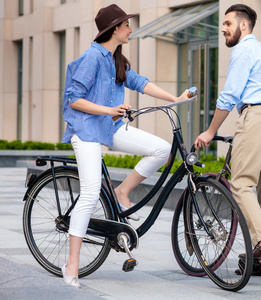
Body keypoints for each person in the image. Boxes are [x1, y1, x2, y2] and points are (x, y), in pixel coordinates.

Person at [61, 4, 190, 288]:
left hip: (111, 128)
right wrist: (110, 110)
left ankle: (123, 190)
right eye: (127, 25)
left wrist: (175, 98)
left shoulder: (117, 60)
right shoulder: (92, 57)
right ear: (115, 29)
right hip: (86, 131)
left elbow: (140, 83)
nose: (130, 29)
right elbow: (74, 98)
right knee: (91, 193)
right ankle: (72, 263)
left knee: (161, 149)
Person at [194, 4, 261, 277]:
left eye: (227, 23)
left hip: (255, 115)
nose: (223, 28)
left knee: (241, 183)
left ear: (243, 26)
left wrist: (209, 132)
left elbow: (230, 95)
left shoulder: (243, 50)